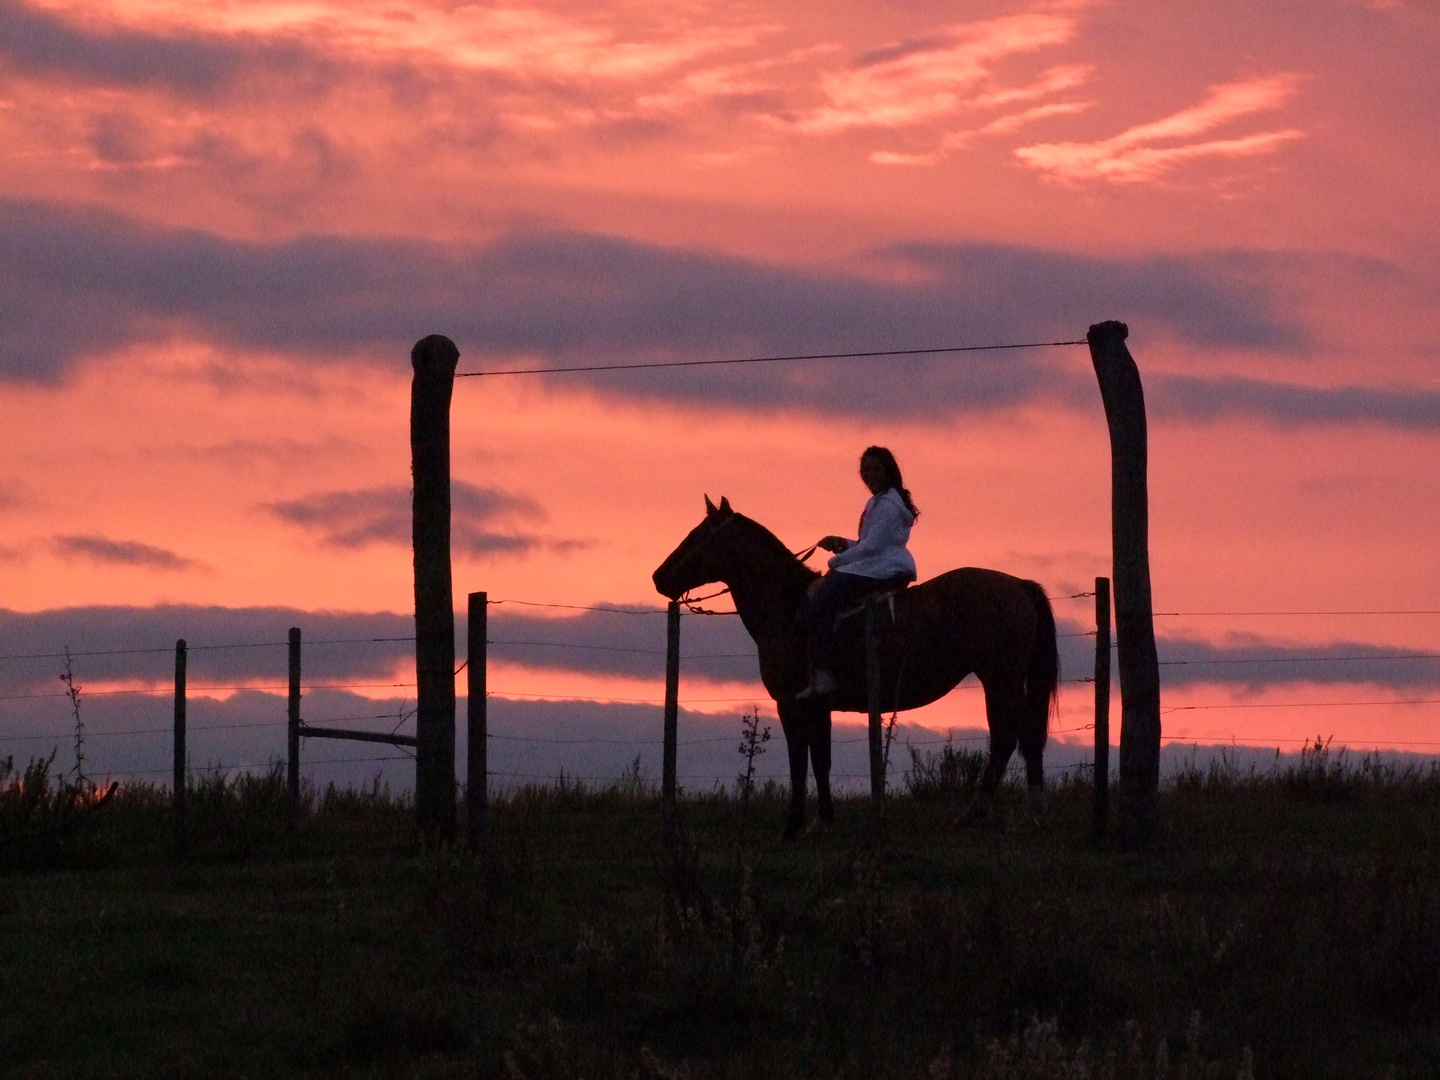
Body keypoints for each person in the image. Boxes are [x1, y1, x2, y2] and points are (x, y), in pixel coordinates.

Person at [795, 446, 919, 699]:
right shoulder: (878, 501)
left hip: (882, 568)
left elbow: (874, 546)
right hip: (876, 564)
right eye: (865, 469)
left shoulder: (887, 505)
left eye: (875, 469)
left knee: (822, 600)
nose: (869, 474)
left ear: (887, 471)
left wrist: (836, 561)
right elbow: (869, 543)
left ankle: (824, 673)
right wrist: (843, 543)